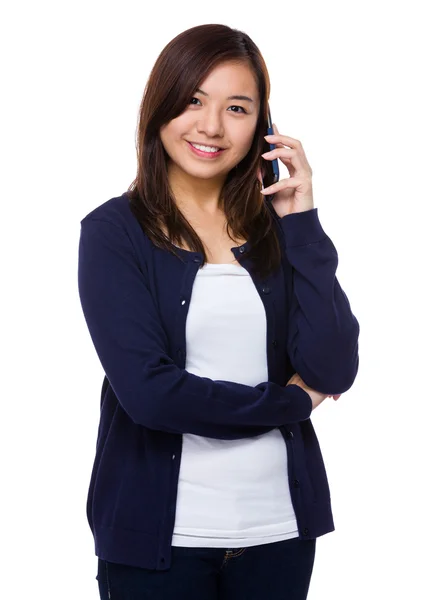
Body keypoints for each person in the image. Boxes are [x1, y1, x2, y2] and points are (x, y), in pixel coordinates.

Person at [78, 23, 360, 600]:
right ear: (160, 110)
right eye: (192, 100)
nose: (210, 126)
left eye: (237, 107)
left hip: (278, 533)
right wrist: (289, 402)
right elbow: (151, 394)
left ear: (263, 127)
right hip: (159, 542)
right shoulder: (114, 233)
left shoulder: (277, 233)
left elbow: (335, 367)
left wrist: (302, 223)